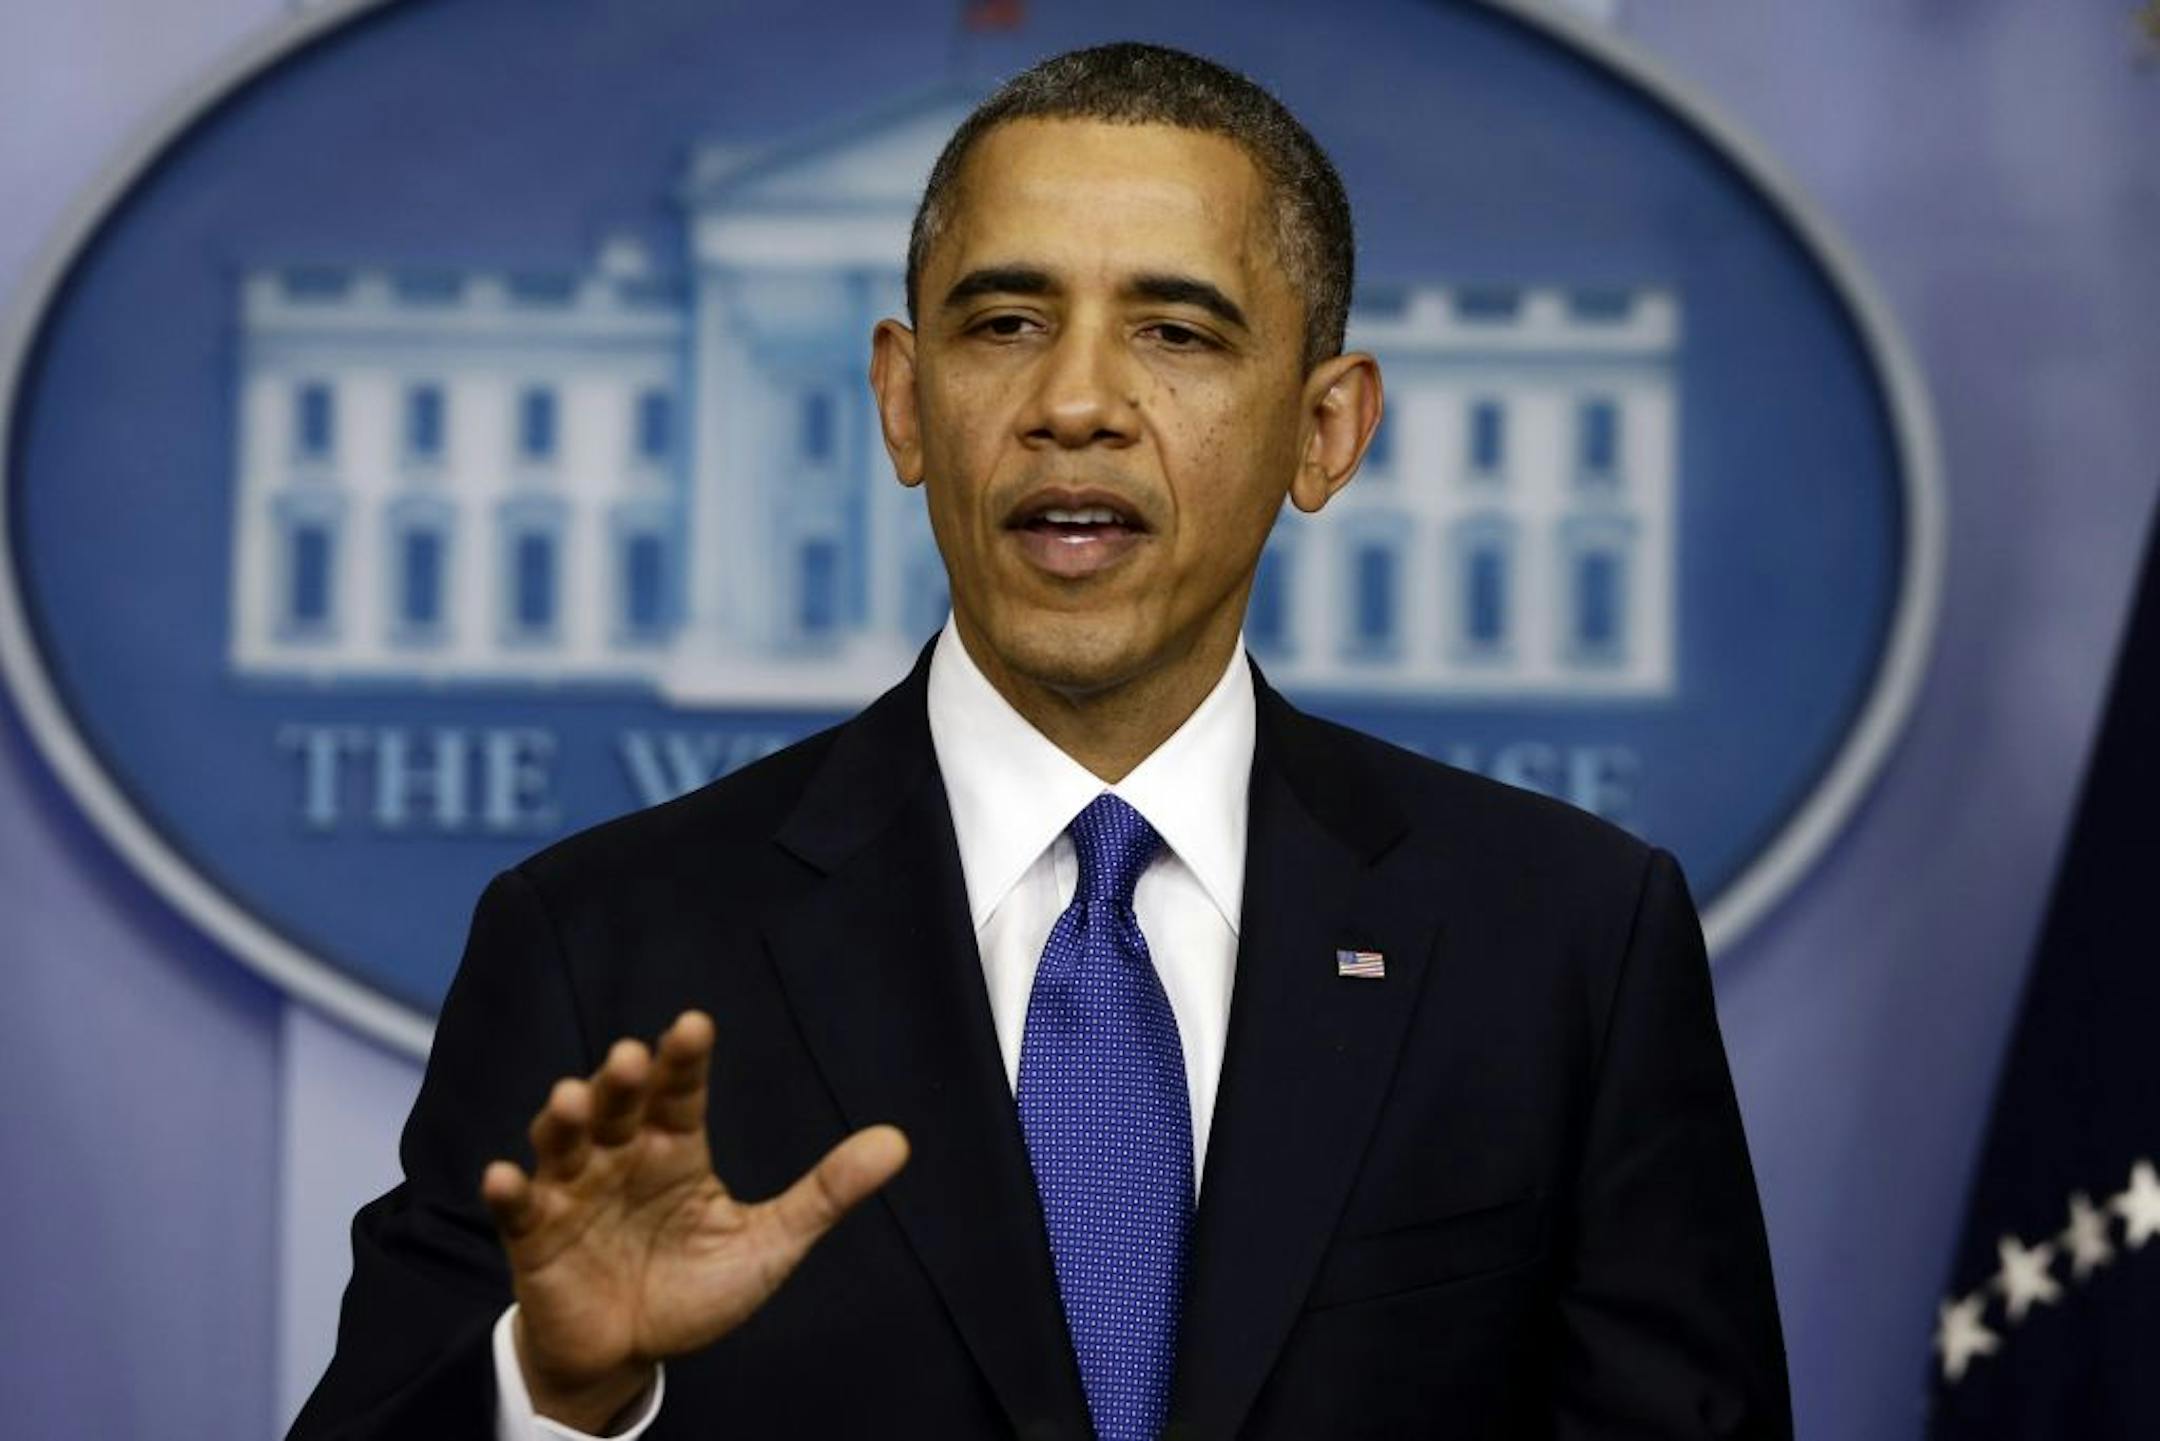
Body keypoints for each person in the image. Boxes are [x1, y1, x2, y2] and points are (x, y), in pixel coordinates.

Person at [291, 42, 1790, 1441]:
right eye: (1005, 324)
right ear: (902, 402)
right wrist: (559, 1390)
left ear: (1324, 431)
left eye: (1177, 331)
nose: (1075, 404)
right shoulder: (602, 944)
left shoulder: (1565, 945)